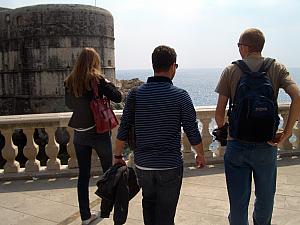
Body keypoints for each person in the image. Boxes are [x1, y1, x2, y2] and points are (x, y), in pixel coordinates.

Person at [215, 28, 300, 225]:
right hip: (266, 145)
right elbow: (297, 96)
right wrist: (286, 134)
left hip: (237, 145)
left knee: (237, 202)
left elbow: (219, 113)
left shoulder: (231, 70)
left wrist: (230, 132)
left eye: (238, 46)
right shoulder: (277, 67)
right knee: (265, 197)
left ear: (244, 47)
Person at [113, 45, 206, 225]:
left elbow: (123, 128)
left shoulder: (135, 94)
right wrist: (200, 154)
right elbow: (192, 130)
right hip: (170, 166)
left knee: (148, 205)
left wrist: (117, 156)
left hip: (143, 165)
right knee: (166, 213)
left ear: (154, 65)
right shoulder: (181, 96)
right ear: (172, 66)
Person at [64, 47, 122, 225]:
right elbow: (118, 97)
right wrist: (107, 83)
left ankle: (85, 216)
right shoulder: (97, 79)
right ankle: (105, 210)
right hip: (98, 132)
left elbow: (69, 105)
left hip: (80, 134)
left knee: (83, 176)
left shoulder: (70, 81)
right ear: (94, 62)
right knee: (108, 173)